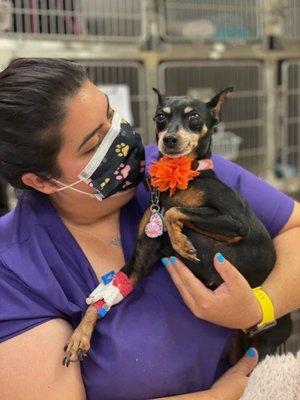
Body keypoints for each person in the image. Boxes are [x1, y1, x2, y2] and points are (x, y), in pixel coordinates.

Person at [0, 58, 299, 400]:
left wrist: (262, 304)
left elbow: (296, 231)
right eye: (95, 144)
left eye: (111, 116)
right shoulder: (13, 269)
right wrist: (220, 396)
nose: (122, 140)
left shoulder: (181, 169)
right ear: (42, 180)